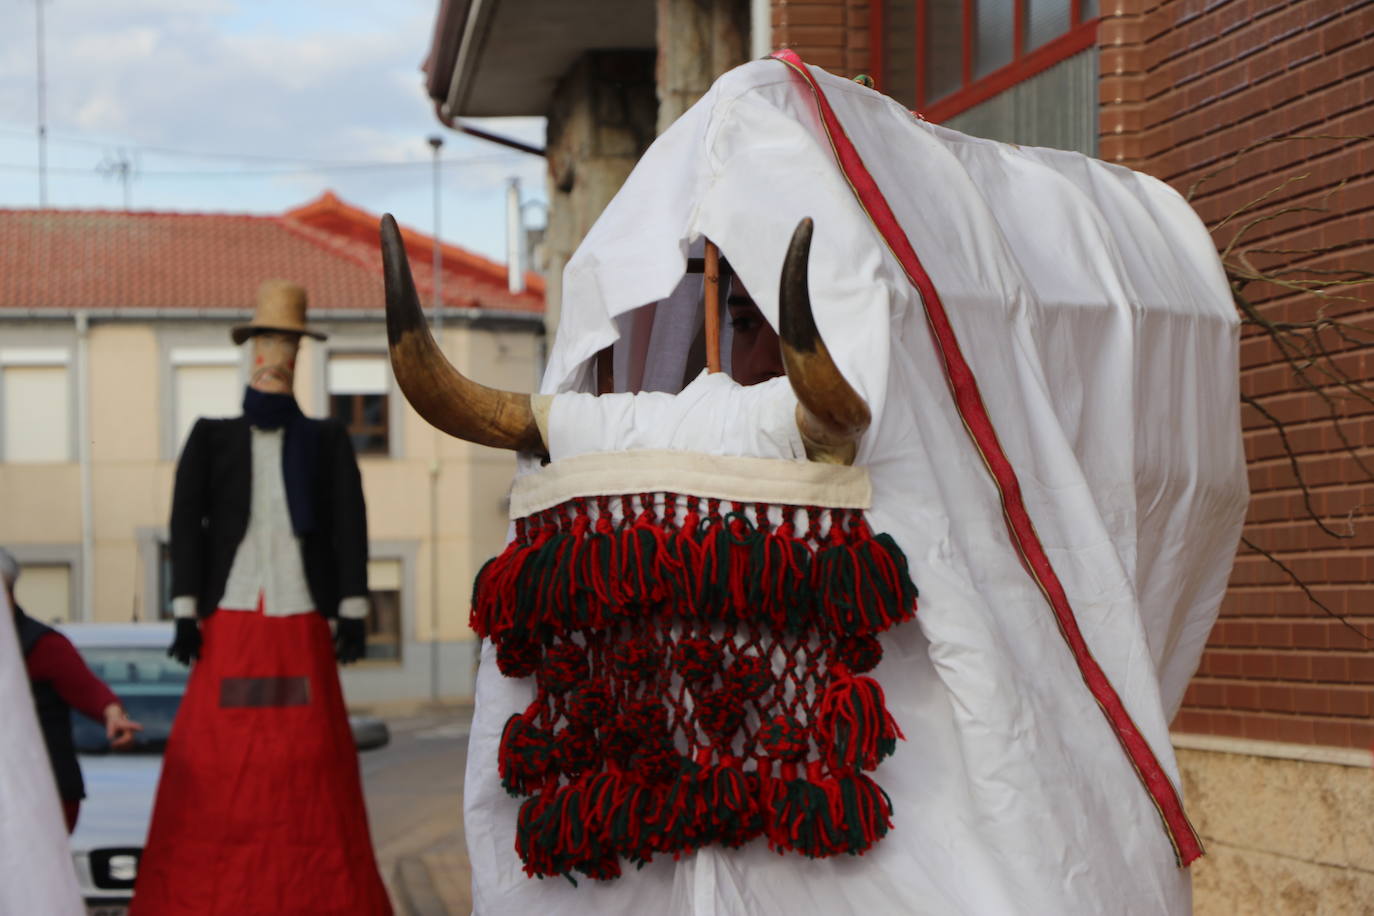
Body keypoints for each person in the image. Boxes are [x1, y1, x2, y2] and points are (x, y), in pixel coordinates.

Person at [130, 280, 391, 915]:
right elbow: (183, 525)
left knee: (308, 761)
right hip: (232, 618)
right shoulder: (211, 437)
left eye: (289, 343)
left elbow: (348, 523)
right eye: (270, 340)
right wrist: (185, 608)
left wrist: (353, 606)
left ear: (300, 355)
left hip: (302, 619)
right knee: (221, 756)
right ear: (251, 350)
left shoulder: (325, 439)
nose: (278, 352)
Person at [2, 547, 142, 832]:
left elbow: (89, 690)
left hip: (42, 793)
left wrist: (113, 715)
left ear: (8, 593)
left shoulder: (43, 645)